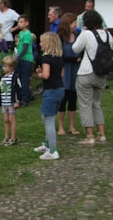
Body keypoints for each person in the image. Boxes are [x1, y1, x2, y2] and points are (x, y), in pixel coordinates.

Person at [72, 10, 113, 145]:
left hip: (86, 73)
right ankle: (101, 134)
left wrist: (83, 32)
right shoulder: (108, 35)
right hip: (102, 74)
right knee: (97, 104)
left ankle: (89, 136)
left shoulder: (87, 34)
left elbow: (75, 48)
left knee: (85, 105)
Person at [33, 32, 64, 160]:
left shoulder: (46, 57)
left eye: (42, 41)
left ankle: (53, 151)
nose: (40, 44)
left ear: (48, 43)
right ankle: (47, 144)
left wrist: (38, 74)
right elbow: (61, 74)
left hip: (50, 90)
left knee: (48, 120)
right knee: (48, 117)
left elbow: (46, 76)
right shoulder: (59, 57)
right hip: (60, 89)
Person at [56, 13, 81, 136]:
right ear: (68, 24)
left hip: (76, 70)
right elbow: (59, 55)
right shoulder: (60, 37)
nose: (75, 25)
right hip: (64, 69)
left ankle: (72, 126)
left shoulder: (78, 35)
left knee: (73, 98)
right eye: (73, 23)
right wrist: (72, 59)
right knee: (63, 98)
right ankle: (60, 126)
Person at [0, 55, 22, 146]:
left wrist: (18, 101)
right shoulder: (2, 78)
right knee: (6, 120)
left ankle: (13, 138)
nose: (3, 68)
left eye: (6, 66)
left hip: (11, 103)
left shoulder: (15, 77)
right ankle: (6, 137)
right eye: (3, 66)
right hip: (4, 102)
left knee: (12, 119)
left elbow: (19, 89)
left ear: (12, 67)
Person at [15, 15, 34, 107]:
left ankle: (25, 99)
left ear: (27, 23)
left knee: (24, 79)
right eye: (18, 22)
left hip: (26, 59)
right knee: (20, 78)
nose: (19, 24)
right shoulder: (20, 33)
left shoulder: (27, 34)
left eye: (21, 22)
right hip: (20, 58)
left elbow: (25, 48)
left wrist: (17, 58)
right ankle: (28, 95)